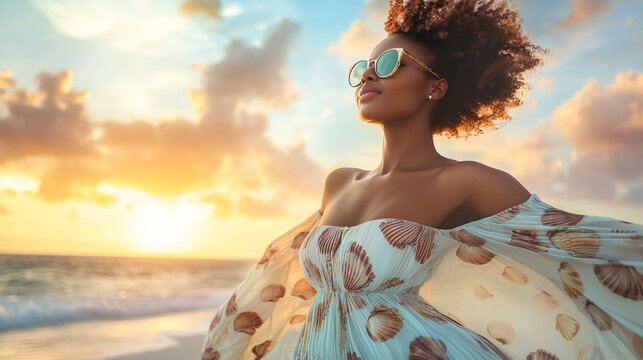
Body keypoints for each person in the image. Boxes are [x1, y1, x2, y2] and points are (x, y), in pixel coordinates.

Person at [201, 0, 643, 359]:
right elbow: (277, 276)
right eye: (363, 66)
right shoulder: (338, 183)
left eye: (391, 62)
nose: (370, 73)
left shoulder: (463, 181)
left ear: (436, 88)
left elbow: (582, 245)